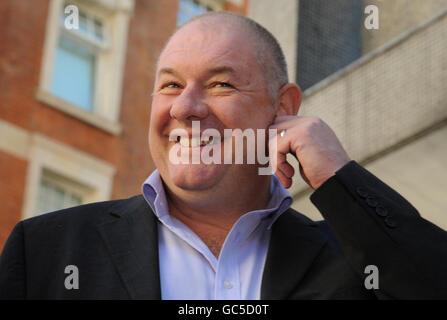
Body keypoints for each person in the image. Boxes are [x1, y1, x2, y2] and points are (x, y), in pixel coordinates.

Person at [1, 12, 447, 300]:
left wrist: (339, 177)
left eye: (221, 84)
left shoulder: (355, 261)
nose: (184, 107)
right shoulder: (45, 252)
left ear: (284, 108)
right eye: (171, 85)